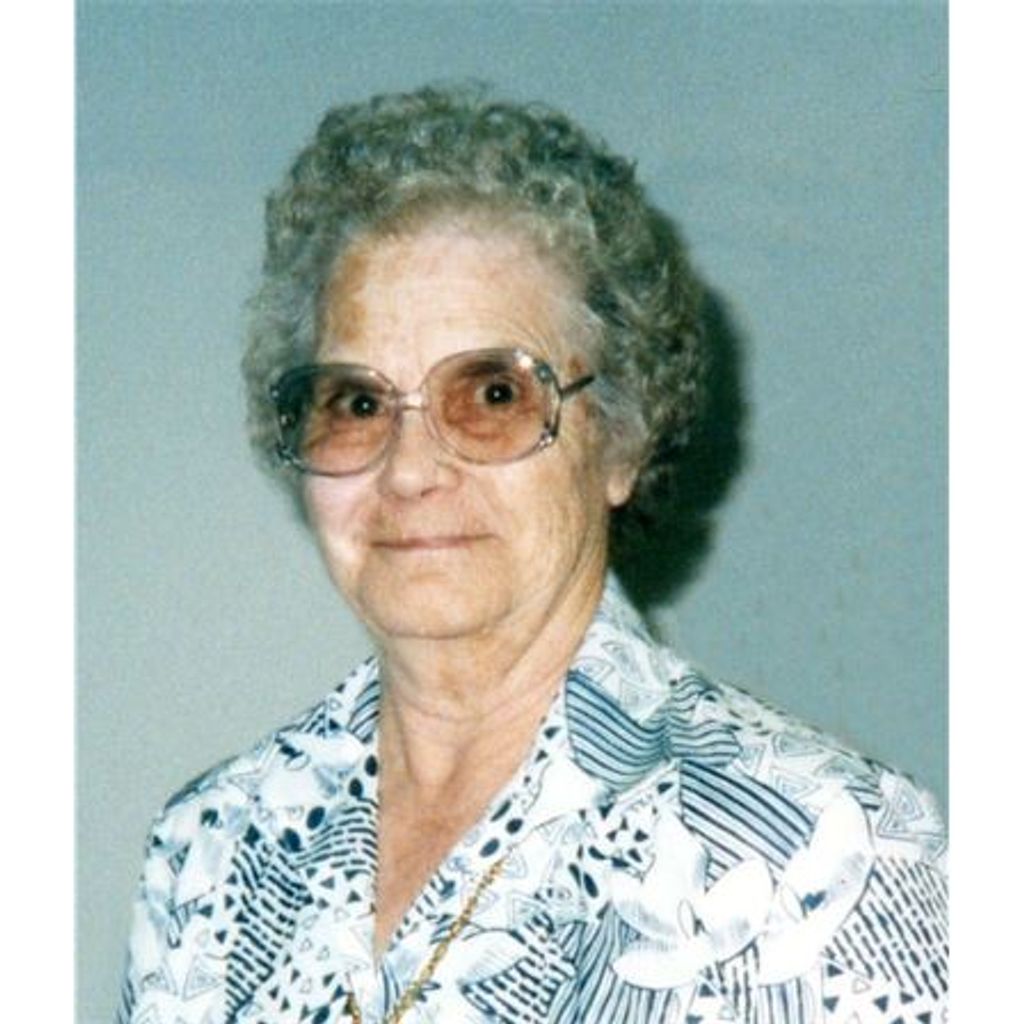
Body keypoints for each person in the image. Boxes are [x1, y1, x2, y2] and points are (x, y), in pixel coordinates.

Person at [116, 85, 947, 1024]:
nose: (410, 470)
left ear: (621, 440)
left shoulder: (829, 858)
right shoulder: (210, 848)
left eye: (494, 394)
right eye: (358, 403)